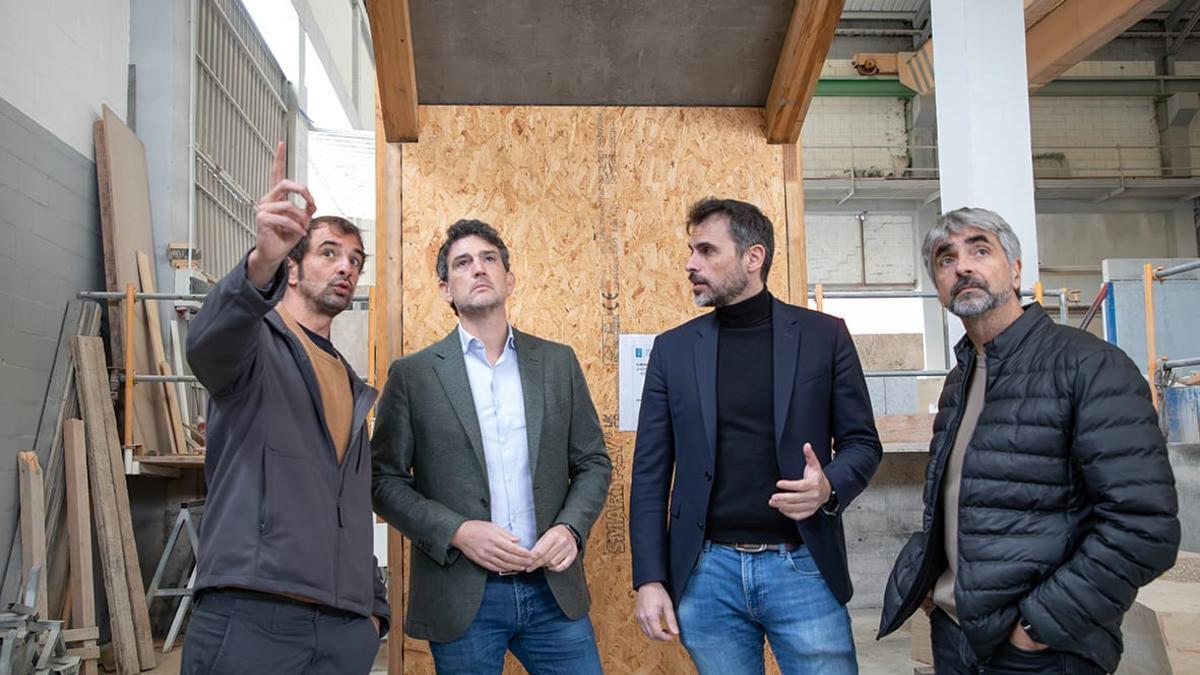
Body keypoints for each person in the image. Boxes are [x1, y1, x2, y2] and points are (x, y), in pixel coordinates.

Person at [878, 207, 1180, 674]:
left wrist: (1036, 629)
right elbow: (955, 503)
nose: (962, 266)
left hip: (1041, 651)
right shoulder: (960, 380)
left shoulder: (1090, 366)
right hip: (957, 637)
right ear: (938, 290)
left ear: (1015, 269)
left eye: (981, 250)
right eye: (945, 258)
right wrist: (928, 586)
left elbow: (1144, 528)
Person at [629, 198, 882, 674]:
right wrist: (649, 579)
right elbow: (649, 475)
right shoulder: (673, 351)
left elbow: (863, 444)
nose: (691, 264)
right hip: (706, 575)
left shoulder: (823, 336)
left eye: (706, 250)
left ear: (753, 257)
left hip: (803, 566)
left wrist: (827, 486)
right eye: (691, 251)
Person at [182, 141, 389, 674]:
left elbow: (343, 502)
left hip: (341, 628)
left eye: (355, 260)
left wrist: (373, 611)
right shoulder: (255, 345)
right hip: (253, 613)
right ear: (292, 270)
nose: (345, 266)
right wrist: (260, 262)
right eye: (328, 252)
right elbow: (208, 343)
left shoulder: (349, 381)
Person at [372, 219, 612, 674]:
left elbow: (593, 462)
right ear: (445, 288)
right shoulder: (414, 375)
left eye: (489, 259)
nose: (478, 269)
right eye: (463, 263)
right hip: (462, 594)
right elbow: (383, 480)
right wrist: (457, 531)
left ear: (509, 279)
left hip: (552, 590)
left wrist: (571, 529)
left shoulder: (557, 363)